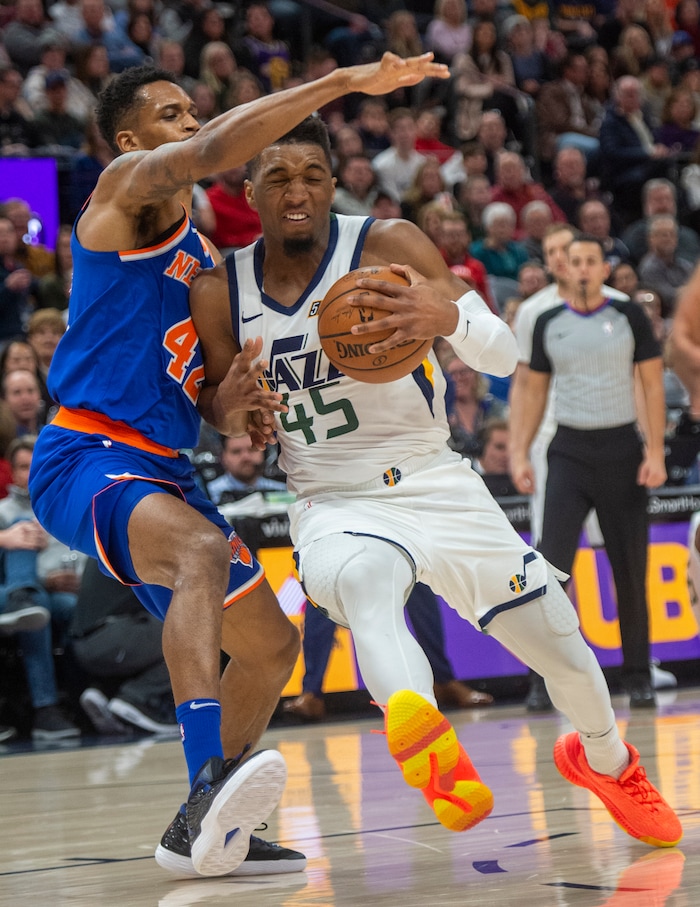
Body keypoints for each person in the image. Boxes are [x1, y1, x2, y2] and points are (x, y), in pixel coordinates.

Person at [190, 117, 682, 849]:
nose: (297, 191)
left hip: (437, 480)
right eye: (279, 177)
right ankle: (425, 738)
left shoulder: (387, 243)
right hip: (333, 499)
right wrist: (233, 405)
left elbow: (503, 354)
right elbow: (220, 408)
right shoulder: (220, 288)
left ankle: (608, 761)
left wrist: (446, 314)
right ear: (250, 189)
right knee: (367, 586)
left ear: (333, 184)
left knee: (564, 647)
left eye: (313, 176)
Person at [26, 53, 449, 879]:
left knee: (270, 646)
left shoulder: (203, 259)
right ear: (128, 140)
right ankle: (205, 789)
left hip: (168, 466)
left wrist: (238, 402)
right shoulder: (119, 194)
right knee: (199, 551)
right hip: (85, 451)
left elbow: (212, 406)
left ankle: (212, 829)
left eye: (192, 109)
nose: (189, 121)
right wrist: (339, 85)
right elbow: (210, 152)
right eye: (170, 114)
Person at [510, 235, 667, 710]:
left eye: (590, 261)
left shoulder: (629, 315)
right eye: (574, 261)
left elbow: (652, 385)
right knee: (550, 568)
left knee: (630, 571)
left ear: (603, 269)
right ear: (563, 268)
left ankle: (637, 675)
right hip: (569, 452)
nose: (581, 268)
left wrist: (655, 452)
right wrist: (520, 453)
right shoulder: (547, 321)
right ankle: (542, 680)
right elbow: (534, 392)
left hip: (622, 450)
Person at [0, 436, 83, 739]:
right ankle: (46, 709)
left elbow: (82, 555)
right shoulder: (3, 511)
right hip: (10, 591)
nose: (30, 472)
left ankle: (84, 698)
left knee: (70, 608)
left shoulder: (64, 507)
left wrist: (76, 581)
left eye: (35, 464)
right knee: (36, 610)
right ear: (12, 472)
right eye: (23, 467)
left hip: (55, 592)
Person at [206, 434, 286, 506]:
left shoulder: (282, 492)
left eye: (252, 449)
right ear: (223, 457)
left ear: (264, 453)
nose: (246, 457)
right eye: (236, 451)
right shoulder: (208, 495)